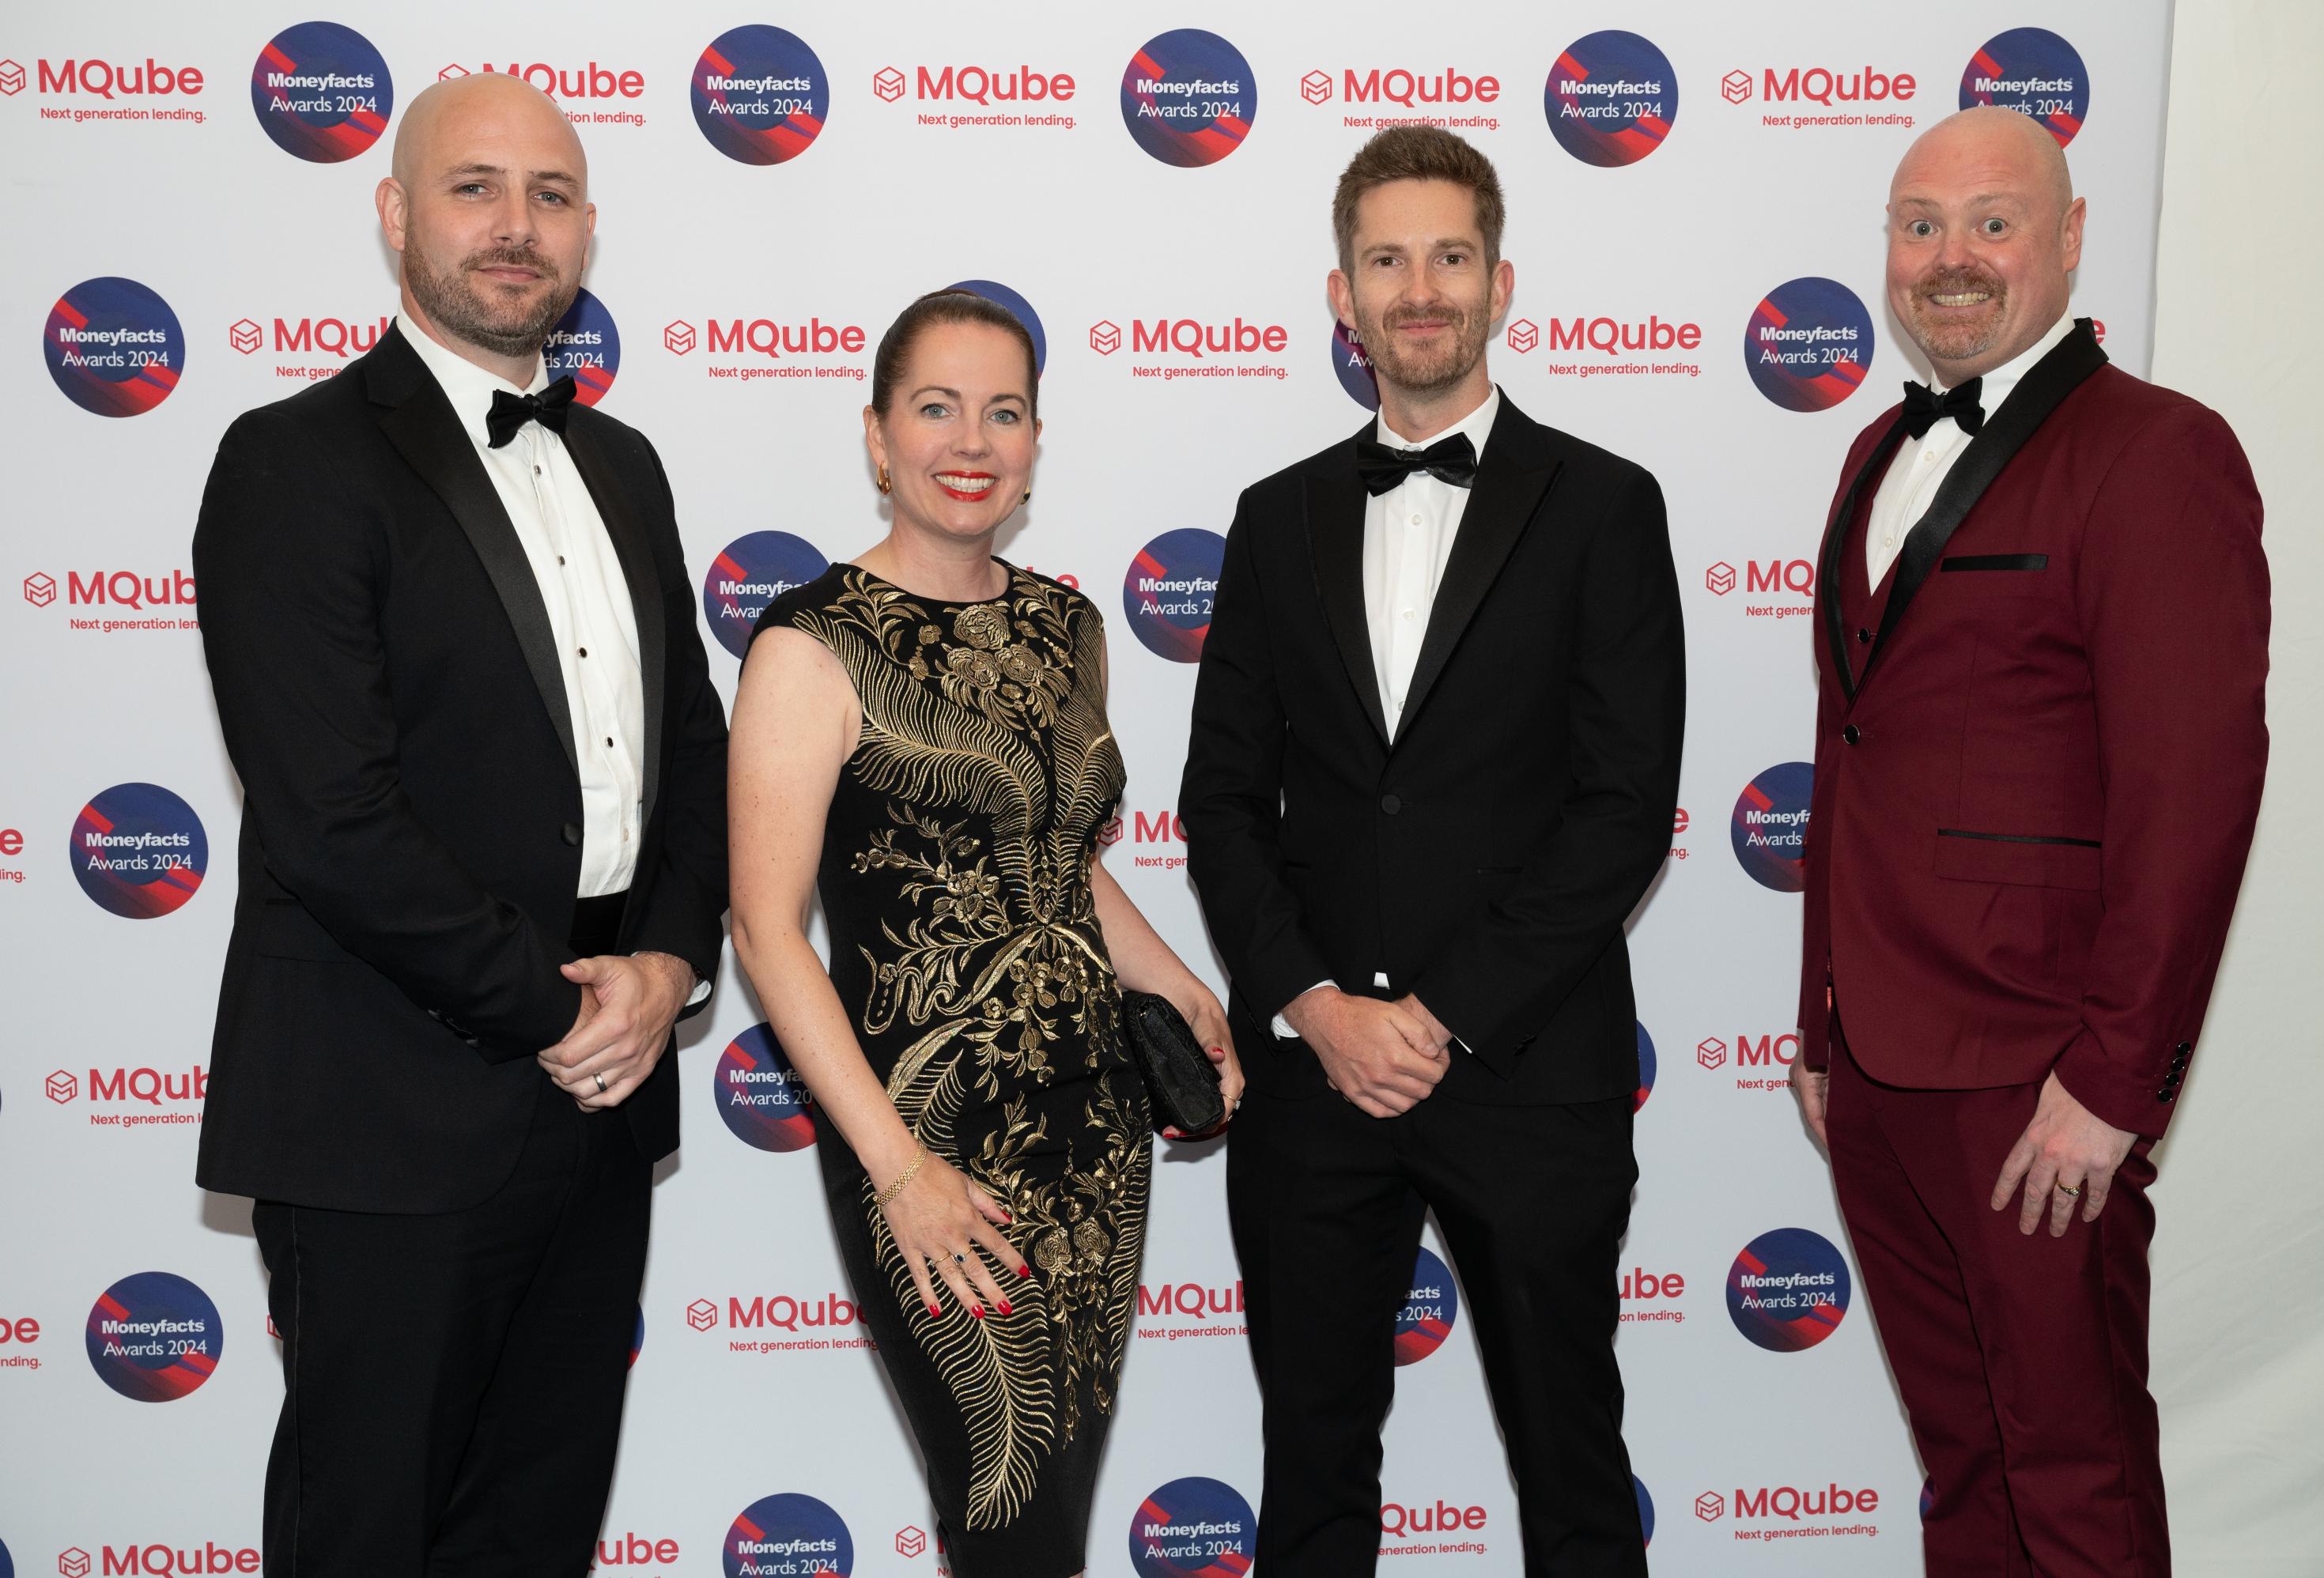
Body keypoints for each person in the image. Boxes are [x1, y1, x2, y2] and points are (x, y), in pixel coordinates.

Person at [191, 72, 729, 1577]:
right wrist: (562, 1011)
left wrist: (668, 968)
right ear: (395, 213)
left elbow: (695, 754)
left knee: (535, 1533)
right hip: (391, 1111)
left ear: (588, 232)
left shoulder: (625, 466)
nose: (516, 226)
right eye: (474, 187)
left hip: (602, 1106)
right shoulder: (292, 461)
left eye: (550, 195)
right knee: (368, 1538)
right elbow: (329, 818)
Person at [1180, 126, 1684, 1576]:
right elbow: (1224, 804)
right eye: (1387, 261)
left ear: (1500, 284)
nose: (1420, 290)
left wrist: (1444, 1014)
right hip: (1314, 1079)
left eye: (1450, 257)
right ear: (1341, 296)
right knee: (1313, 1480)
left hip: (1529, 1073)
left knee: (1573, 1474)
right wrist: (1320, 1008)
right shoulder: (1273, 519)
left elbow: (1623, 809)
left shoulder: (1607, 506)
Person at [1789, 106, 2269, 1576]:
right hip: (1874, 1067)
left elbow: (2193, 793)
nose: (1952, 257)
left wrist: (2115, 1085)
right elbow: (1853, 749)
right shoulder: (1875, 451)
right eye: (1920, 225)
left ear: (2068, 239)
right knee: (1965, 1463)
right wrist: (1818, 1024)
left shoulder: (2160, 453)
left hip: (2041, 1077)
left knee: (2075, 1471)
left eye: (1993, 223)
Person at [727, 288, 1242, 1578]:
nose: (972, 442)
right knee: (1004, 1500)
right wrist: (898, 1170)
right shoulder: (809, 645)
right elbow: (767, 933)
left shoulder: (1071, 626)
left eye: (1004, 412)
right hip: (928, 1136)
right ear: (877, 436)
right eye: (937, 408)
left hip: (1095, 1126)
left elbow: (1056, 867)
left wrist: (1183, 989)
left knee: (1050, 1515)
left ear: (1035, 441)